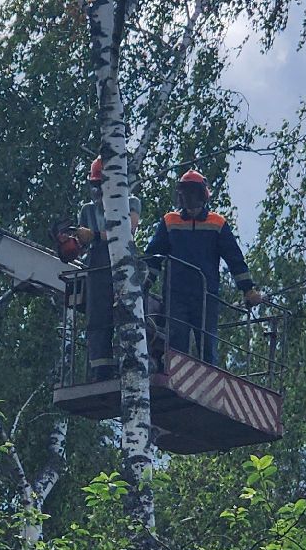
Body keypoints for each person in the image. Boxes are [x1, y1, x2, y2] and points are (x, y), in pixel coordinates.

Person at [144, 168, 263, 364]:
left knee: (207, 346)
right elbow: (153, 258)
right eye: (184, 192)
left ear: (202, 195)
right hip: (176, 296)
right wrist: (145, 283)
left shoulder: (217, 223)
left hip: (205, 296)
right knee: (176, 346)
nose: (188, 197)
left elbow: (235, 260)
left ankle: (209, 385)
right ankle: (176, 378)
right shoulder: (169, 221)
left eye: (192, 192)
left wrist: (248, 290)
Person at [71, 156, 142, 381]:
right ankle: (101, 368)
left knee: (126, 315)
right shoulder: (87, 211)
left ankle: (131, 363)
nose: (97, 192)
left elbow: (126, 231)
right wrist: (70, 245)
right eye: (94, 186)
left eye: (100, 185)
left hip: (123, 262)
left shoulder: (131, 203)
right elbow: (82, 245)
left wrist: (94, 236)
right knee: (97, 318)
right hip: (96, 265)